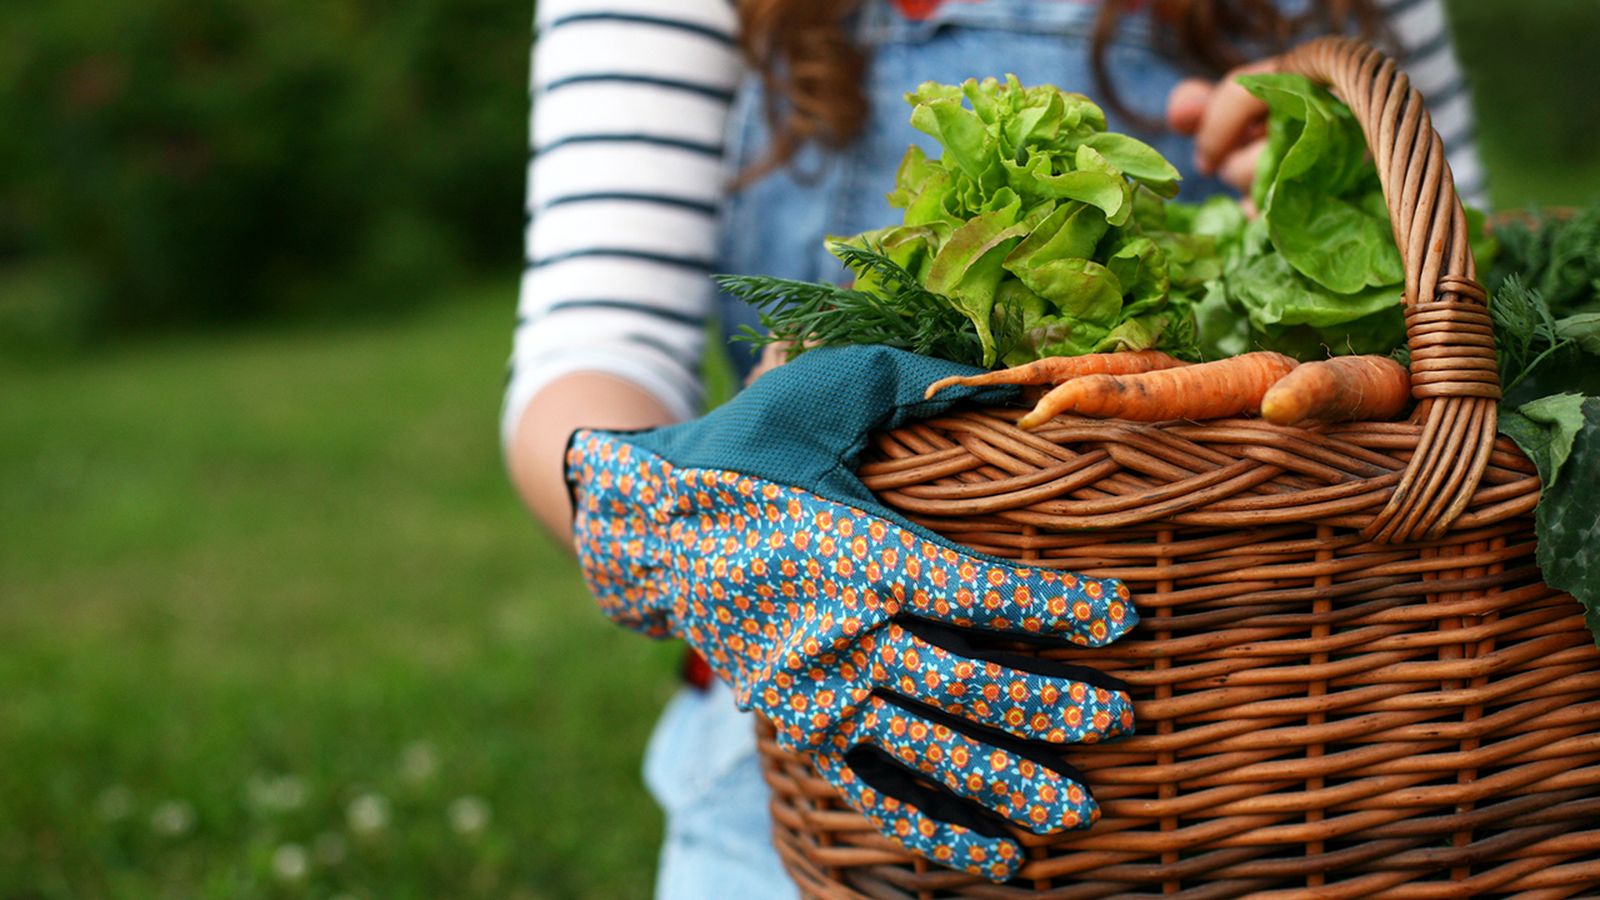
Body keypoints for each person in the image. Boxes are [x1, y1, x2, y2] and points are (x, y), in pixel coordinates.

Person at [503, 0, 1487, 895]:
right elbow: (597, 346)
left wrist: (1326, 190)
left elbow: (1468, 300)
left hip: (1314, 727)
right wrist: (661, 512)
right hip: (827, 721)